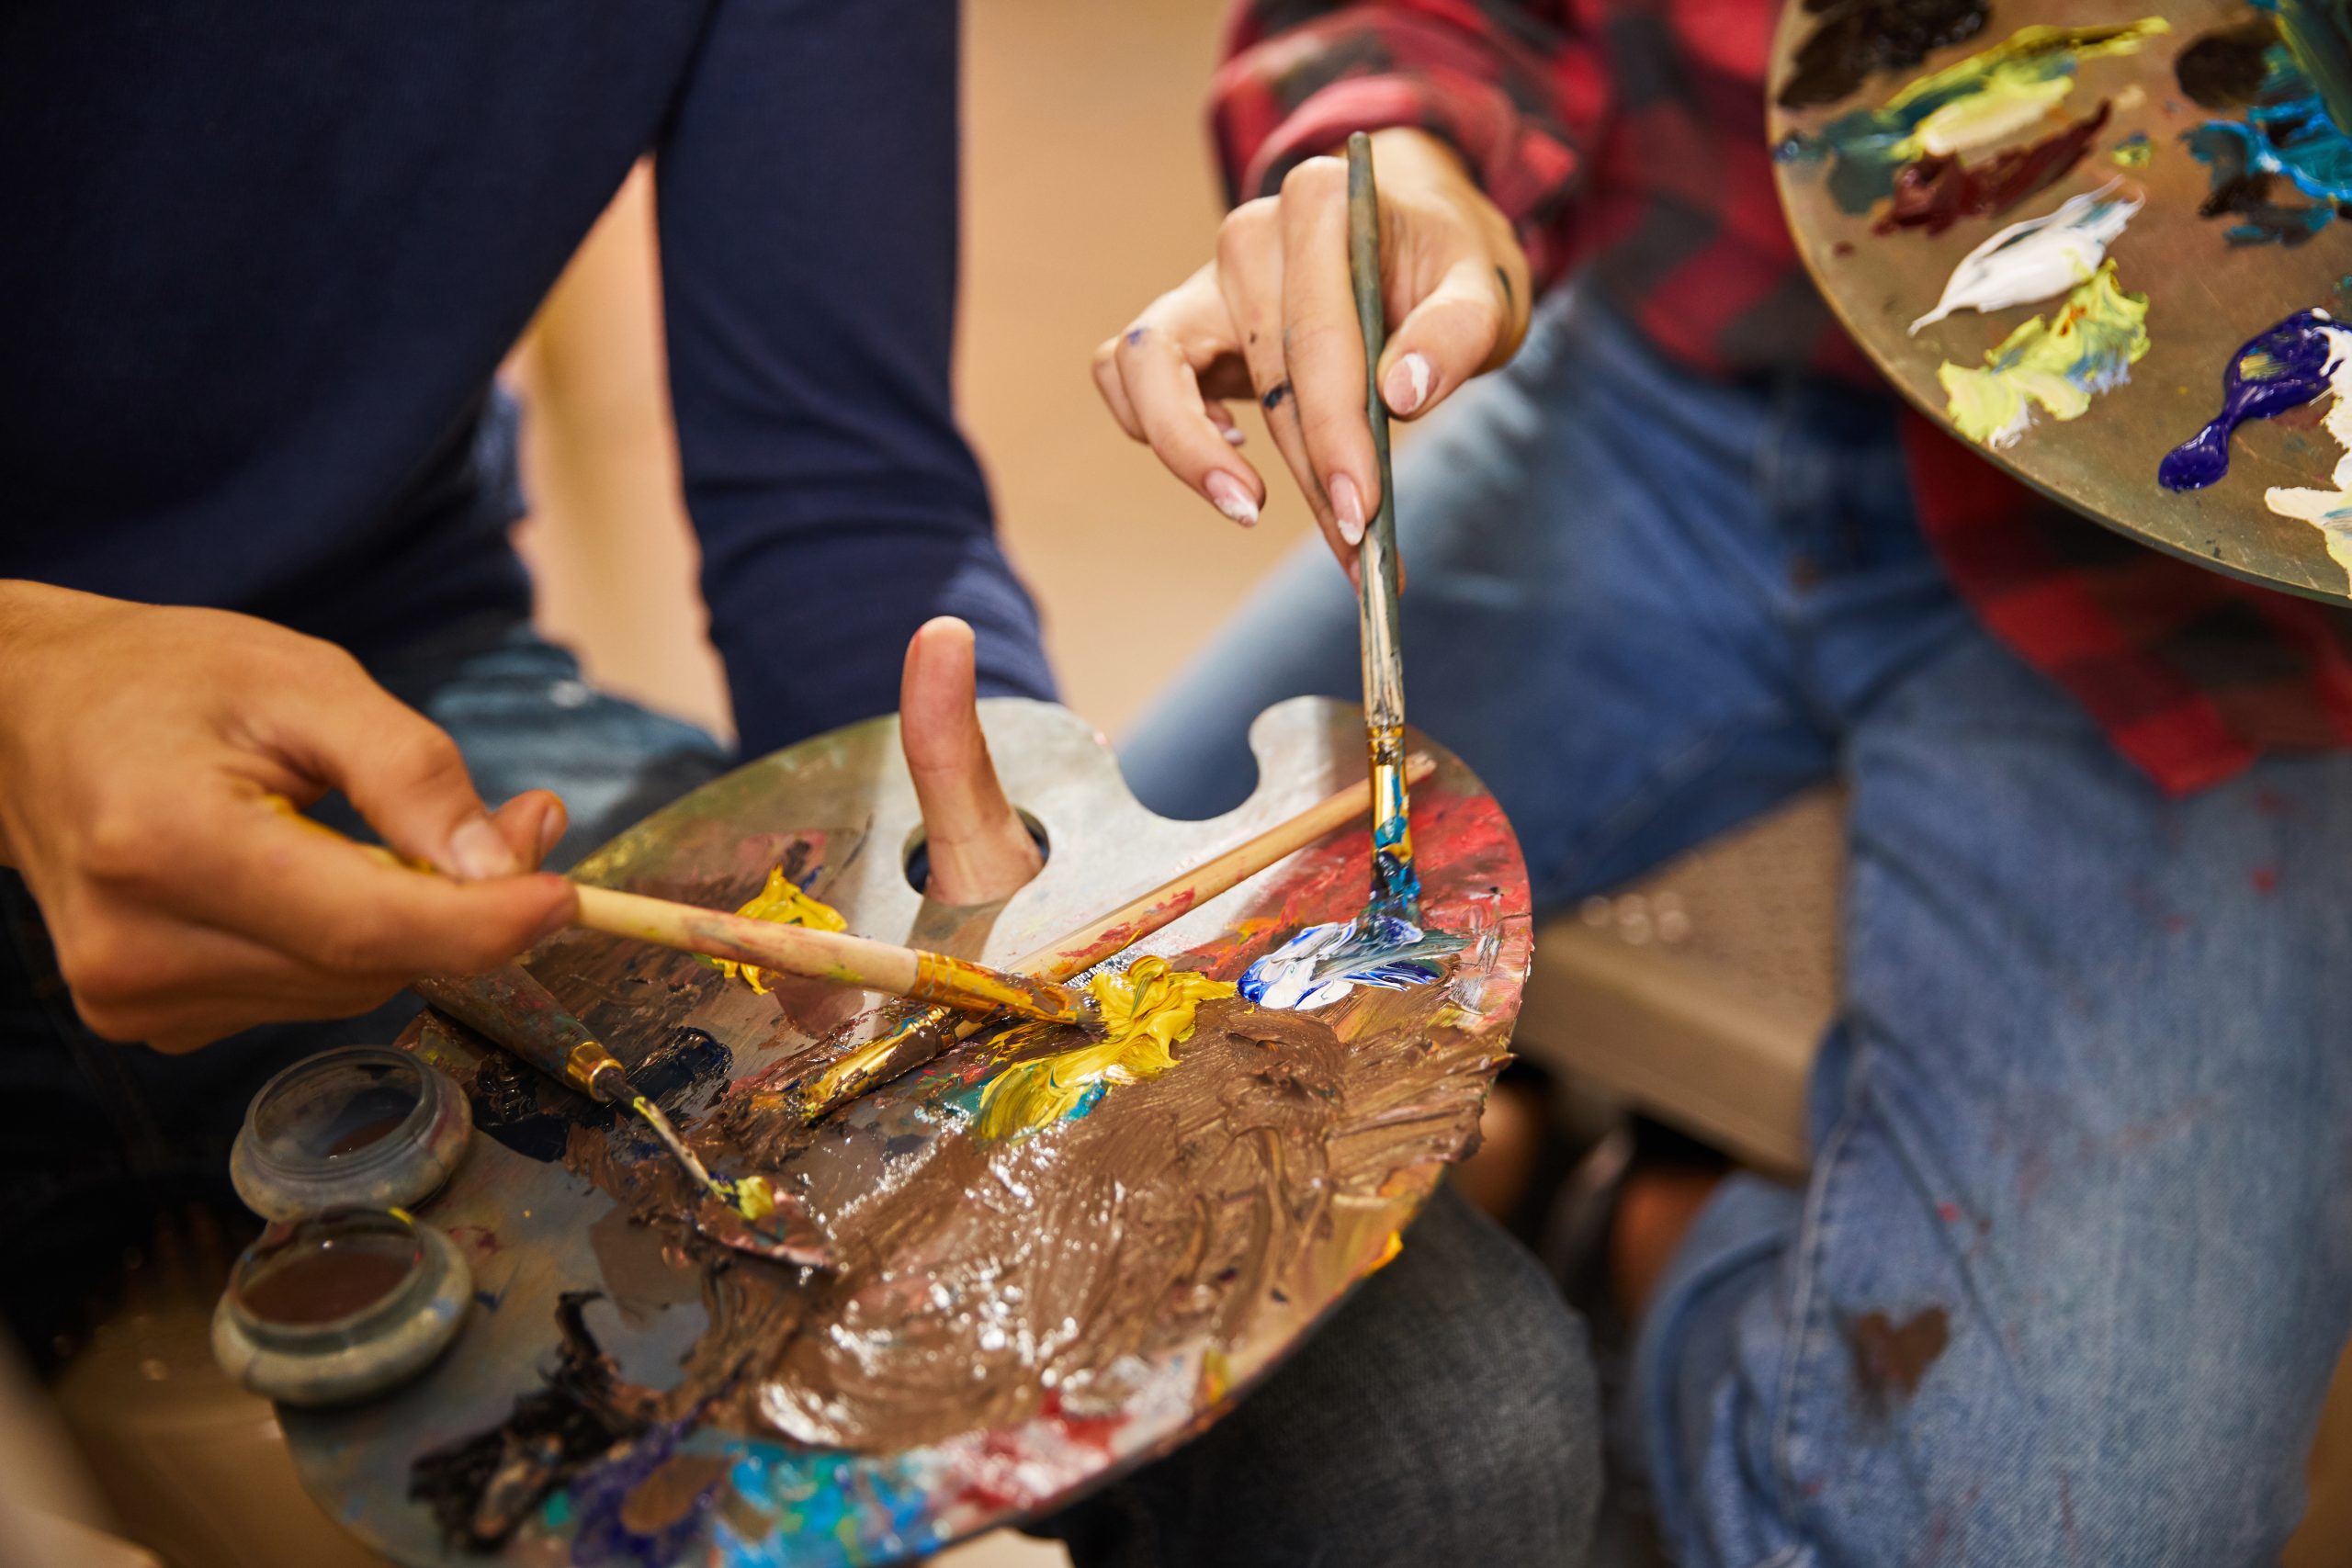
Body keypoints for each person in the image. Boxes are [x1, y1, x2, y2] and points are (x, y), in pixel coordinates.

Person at [1092, 3, 2352, 1563]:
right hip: (1674, 377)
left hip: (2185, 522)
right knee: (1071, 1092)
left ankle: (1655, 1243)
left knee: (2080, 1526)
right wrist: (1398, 140)